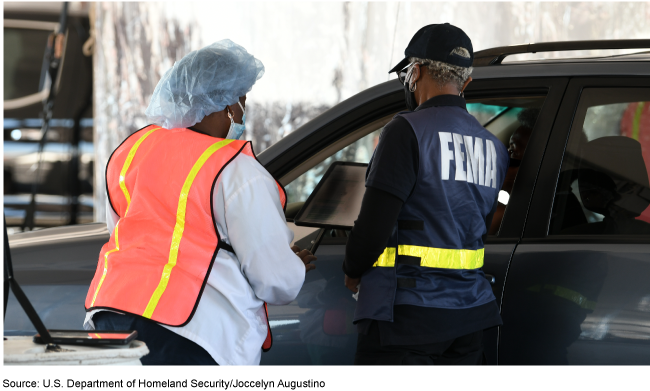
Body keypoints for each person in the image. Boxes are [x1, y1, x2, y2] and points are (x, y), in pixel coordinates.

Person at [83, 40, 316, 365]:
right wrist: (291, 266)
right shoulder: (235, 170)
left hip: (111, 318)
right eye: (241, 101)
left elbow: (131, 233)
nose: (241, 113)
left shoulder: (133, 151)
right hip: (193, 331)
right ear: (224, 105)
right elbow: (276, 282)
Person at [342, 24, 509, 365]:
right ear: (466, 82)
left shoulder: (406, 131)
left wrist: (352, 269)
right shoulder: (493, 148)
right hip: (471, 317)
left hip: (406, 316)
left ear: (415, 72)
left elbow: (374, 225)